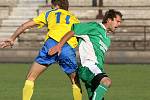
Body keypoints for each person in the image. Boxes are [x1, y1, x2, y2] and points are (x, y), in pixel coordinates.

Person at [0, 0, 82, 100]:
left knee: (30, 78)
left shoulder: (49, 13)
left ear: (55, 5)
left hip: (51, 44)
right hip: (66, 47)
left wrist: (12, 39)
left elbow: (25, 25)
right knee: (75, 81)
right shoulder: (74, 18)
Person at [49, 9, 123, 100]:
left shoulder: (107, 40)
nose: (119, 24)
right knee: (106, 82)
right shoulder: (94, 27)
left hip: (96, 70)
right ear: (109, 20)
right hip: (88, 67)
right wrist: (59, 45)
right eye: (117, 21)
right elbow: (73, 31)